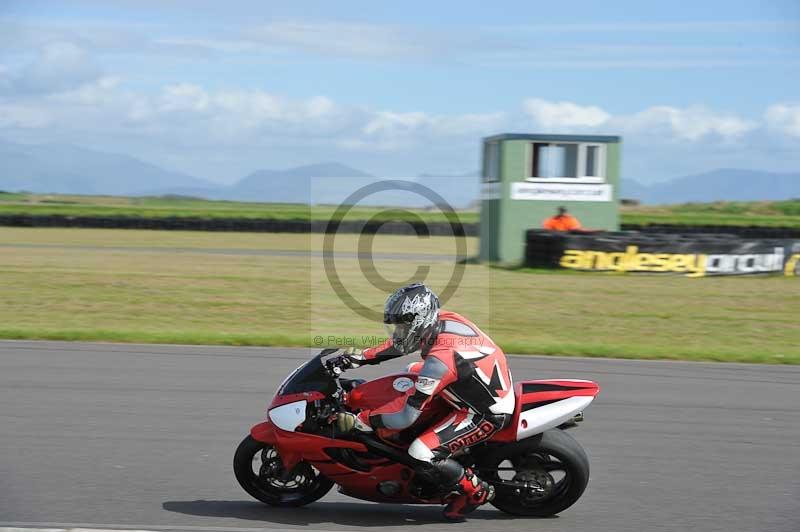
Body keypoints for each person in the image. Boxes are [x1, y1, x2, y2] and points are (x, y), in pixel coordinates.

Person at [331, 283, 515, 521]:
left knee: (420, 452)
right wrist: (360, 357)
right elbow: (404, 344)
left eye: (402, 325)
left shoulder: (439, 361)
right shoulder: (442, 321)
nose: (398, 331)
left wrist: (362, 420)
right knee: (410, 371)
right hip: (469, 384)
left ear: (419, 321)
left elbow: (404, 418)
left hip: (483, 413)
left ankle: (475, 492)